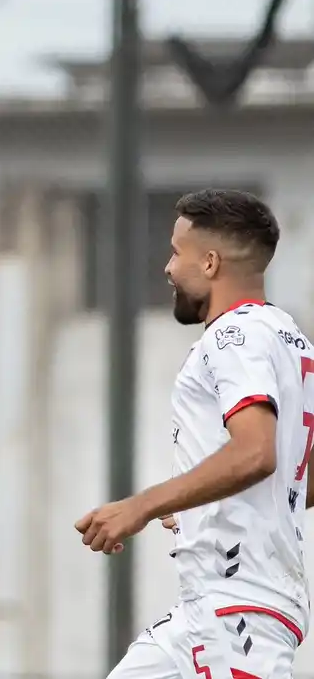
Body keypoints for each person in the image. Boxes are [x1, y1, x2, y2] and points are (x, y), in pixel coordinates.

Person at [76, 188, 312, 679]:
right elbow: (296, 469)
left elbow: (256, 454)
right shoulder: (289, 338)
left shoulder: (234, 337)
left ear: (208, 263)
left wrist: (143, 505)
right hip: (205, 610)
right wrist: (205, 500)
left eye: (176, 251)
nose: (167, 266)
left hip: (239, 610)